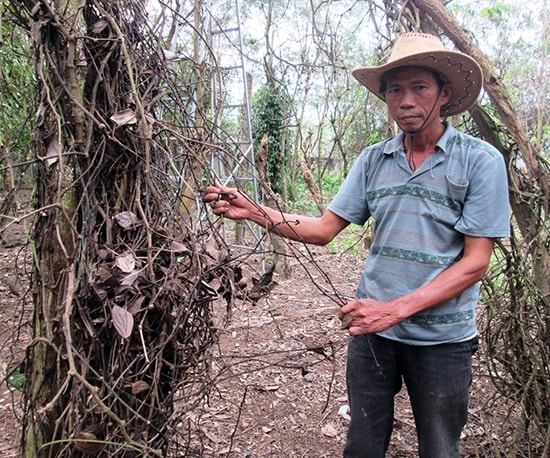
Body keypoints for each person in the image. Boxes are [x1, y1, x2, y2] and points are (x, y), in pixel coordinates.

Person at [203, 32, 510, 457]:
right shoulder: (373, 160)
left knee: (440, 448)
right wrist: (255, 211)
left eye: (419, 87)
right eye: (395, 90)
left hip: (442, 341)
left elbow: (476, 262)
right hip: (372, 334)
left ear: (446, 93)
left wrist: (396, 309)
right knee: (362, 446)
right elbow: (324, 229)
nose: (406, 101)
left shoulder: (480, 160)